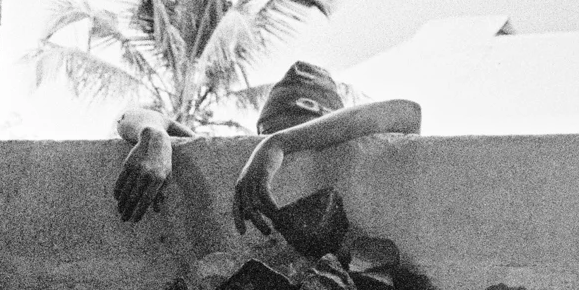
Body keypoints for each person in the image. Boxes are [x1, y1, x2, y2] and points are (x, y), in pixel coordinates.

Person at [104, 61, 422, 229]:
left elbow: (407, 112)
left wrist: (280, 143)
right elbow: (129, 116)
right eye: (274, 133)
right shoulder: (240, 168)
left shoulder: (276, 147)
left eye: (310, 135)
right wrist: (154, 134)